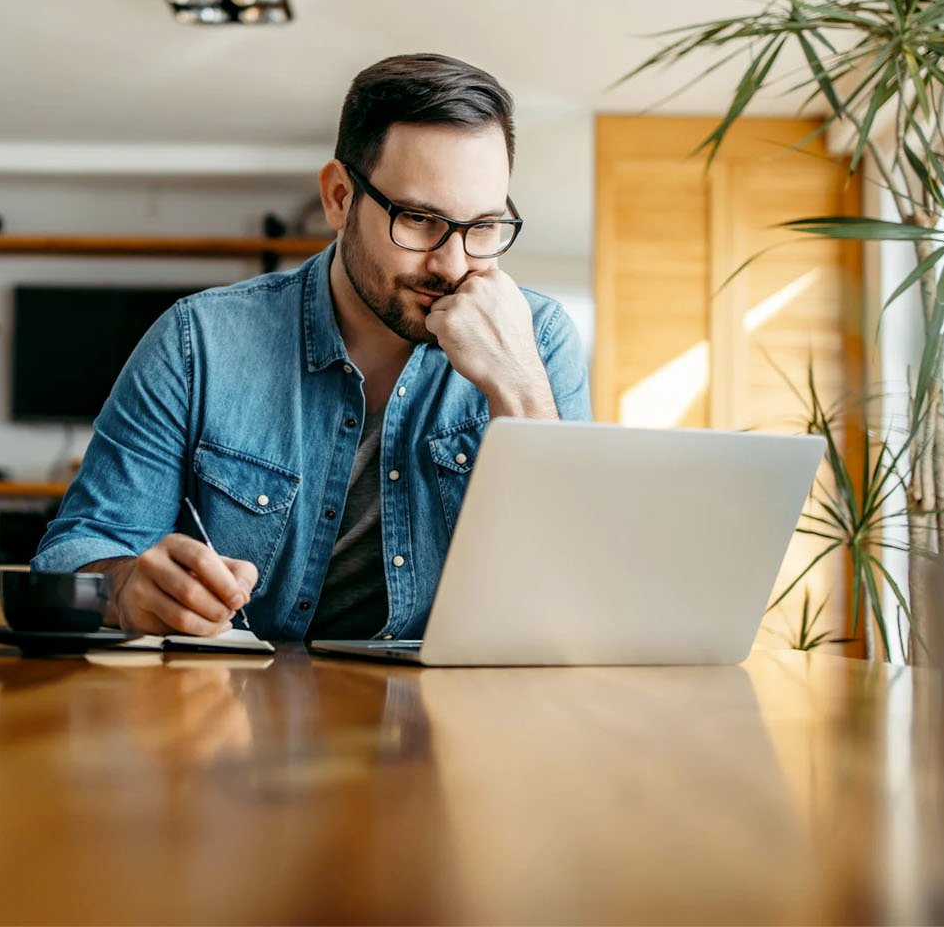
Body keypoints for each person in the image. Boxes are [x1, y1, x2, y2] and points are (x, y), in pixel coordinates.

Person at [30, 53, 590, 639]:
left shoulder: (540, 340)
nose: (453, 264)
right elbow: (73, 555)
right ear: (340, 198)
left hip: (453, 716)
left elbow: (576, 590)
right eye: (420, 219)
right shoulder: (198, 342)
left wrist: (519, 387)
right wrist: (125, 589)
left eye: (482, 227)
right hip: (237, 710)